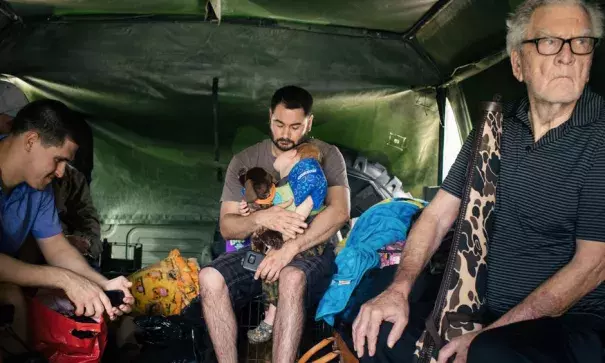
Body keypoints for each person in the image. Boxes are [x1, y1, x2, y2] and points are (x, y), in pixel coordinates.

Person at [352, 1, 605, 362]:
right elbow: (437, 217)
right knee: (377, 325)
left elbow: (593, 264)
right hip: (479, 309)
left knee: (488, 354)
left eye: (580, 42)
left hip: (571, 324)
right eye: (549, 41)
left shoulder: (601, 135)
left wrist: (492, 333)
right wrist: (399, 288)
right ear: (519, 64)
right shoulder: (492, 130)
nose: (567, 56)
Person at [199, 85, 350, 362]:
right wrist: (261, 217)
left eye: (295, 127)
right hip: (261, 250)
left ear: (309, 122)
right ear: (270, 116)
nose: (285, 134)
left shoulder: (325, 155)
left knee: (290, 278)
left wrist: (289, 250)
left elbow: (340, 212)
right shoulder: (245, 160)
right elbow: (228, 226)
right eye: (279, 124)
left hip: (310, 250)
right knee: (210, 277)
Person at [0, 99, 134, 351]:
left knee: (12, 297)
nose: (62, 173)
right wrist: (66, 280)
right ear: (31, 141)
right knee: (12, 296)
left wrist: (101, 284)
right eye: (58, 160)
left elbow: (56, 248)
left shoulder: (38, 189)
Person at [243, 142, 328, 344]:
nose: (274, 160)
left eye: (278, 155)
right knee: (269, 267)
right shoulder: (285, 186)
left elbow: (298, 217)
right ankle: (270, 313)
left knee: (278, 271)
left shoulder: (308, 180)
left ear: (293, 154)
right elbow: (271, 207)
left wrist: (280, 244)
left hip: (299, 240)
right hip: (280, 237)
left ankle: (271, 318)